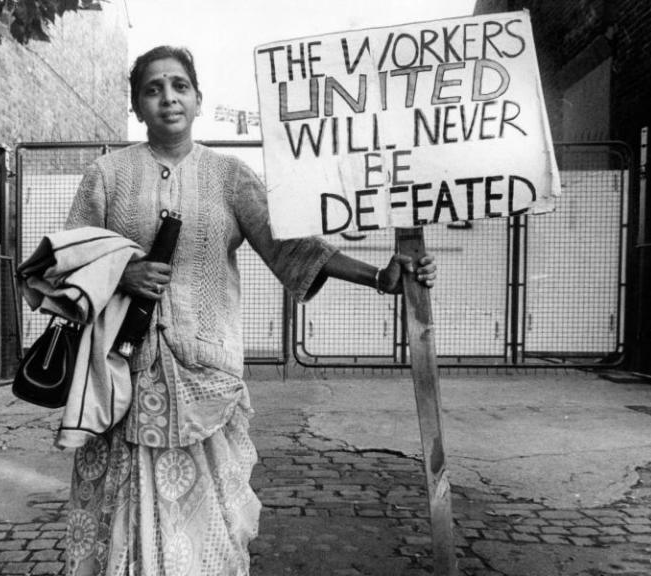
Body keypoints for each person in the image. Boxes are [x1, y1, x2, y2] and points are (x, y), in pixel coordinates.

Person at [61, 45, 436, 576]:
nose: (168, 97)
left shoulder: (229, 177)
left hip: (205, 378)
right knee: (123, 523)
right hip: (121, 377)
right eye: (153, 88)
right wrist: (122, 273)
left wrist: (379, 277)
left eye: (179, 86)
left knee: (208, 527)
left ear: (197, 100)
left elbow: (293, 247)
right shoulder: (106, 176)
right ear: (137, 106)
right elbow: (67, 262)